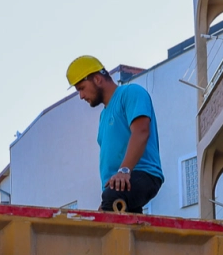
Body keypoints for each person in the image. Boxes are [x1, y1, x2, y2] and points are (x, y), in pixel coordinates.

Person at [67, 55, 164, 213]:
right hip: (119, 185)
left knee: (113, 202)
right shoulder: (103, 116)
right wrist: (106, 200)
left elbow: (141, 131)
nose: (81, 96)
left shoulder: (131, 92)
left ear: (98, 79)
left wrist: (124, 171)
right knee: (121, 223)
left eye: (81, 88)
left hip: (142, 173)